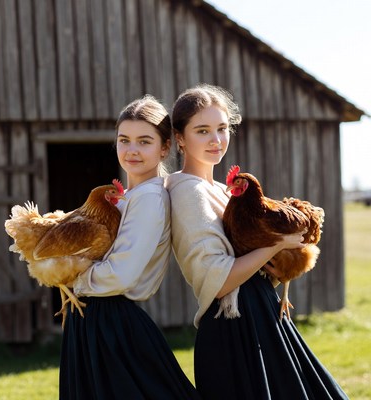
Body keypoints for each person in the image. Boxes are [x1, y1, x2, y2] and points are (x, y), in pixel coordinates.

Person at [166, 84, 348, 399]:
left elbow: (250, 268)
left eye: (222, 129)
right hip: (233, 326)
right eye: (203, 130)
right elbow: (218, 280)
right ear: (180, 138)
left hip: (257, 313)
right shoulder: (187, 191)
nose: (216, 139)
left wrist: (277, 265)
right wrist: (277, 245)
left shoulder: (223, 191)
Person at [60, 95, 201, 399]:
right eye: (124, 140)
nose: (131, 150)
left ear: (165, 148)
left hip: (112, 322)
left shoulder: (149, 198)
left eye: (144, 141)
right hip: (98, 318)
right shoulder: (126, 198)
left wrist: (71, 278)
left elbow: (121, 275)